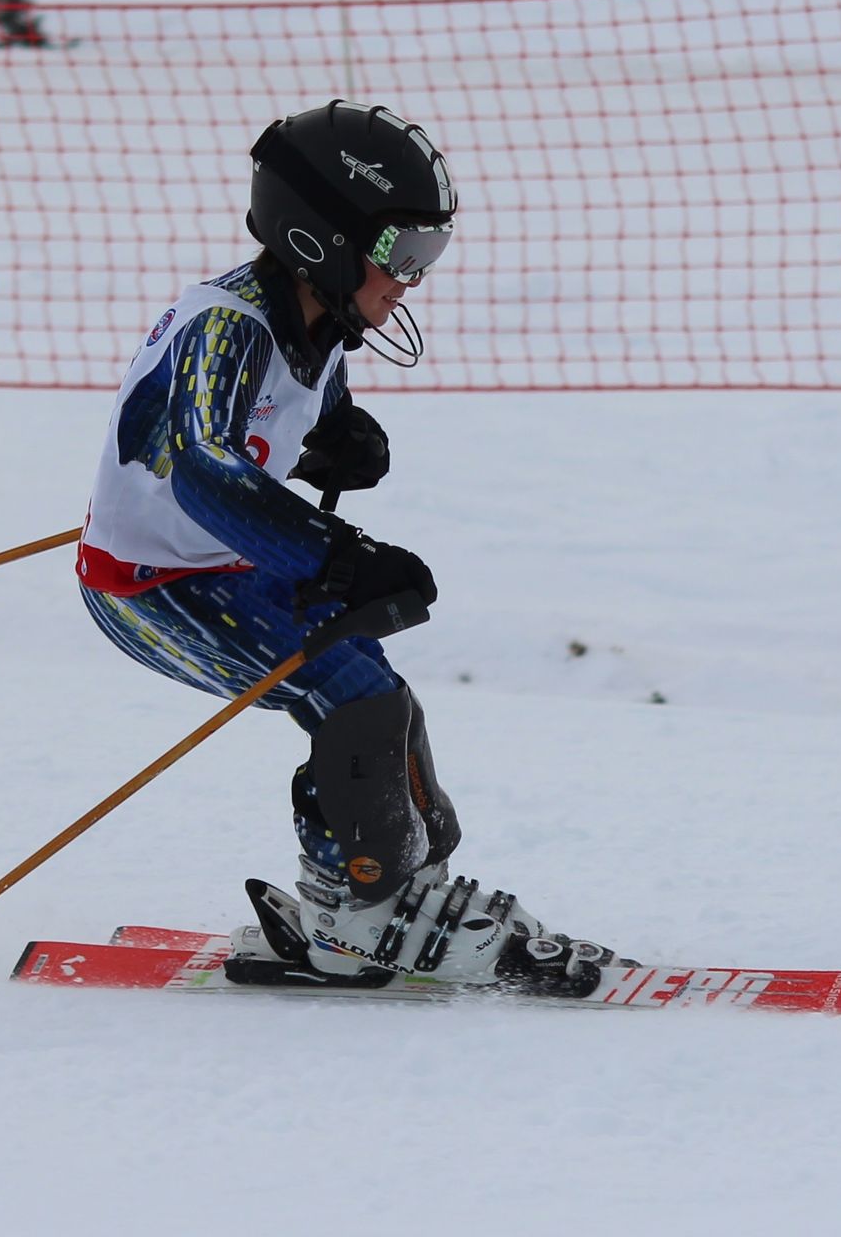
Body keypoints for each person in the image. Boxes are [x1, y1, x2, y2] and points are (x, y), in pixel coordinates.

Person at [77, 101, 608, 988]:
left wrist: (335, 438)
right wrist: (339, 555)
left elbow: (291, 414)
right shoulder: (227, 326)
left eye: (429, 253)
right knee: (349, 699)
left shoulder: (316, 319)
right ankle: (359, 913)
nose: (413, 279)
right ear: (320, 238)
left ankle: (405, 886)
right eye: (404, 252)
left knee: (380, 697)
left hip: (222, 563)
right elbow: (204, 471)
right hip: (147, 586)